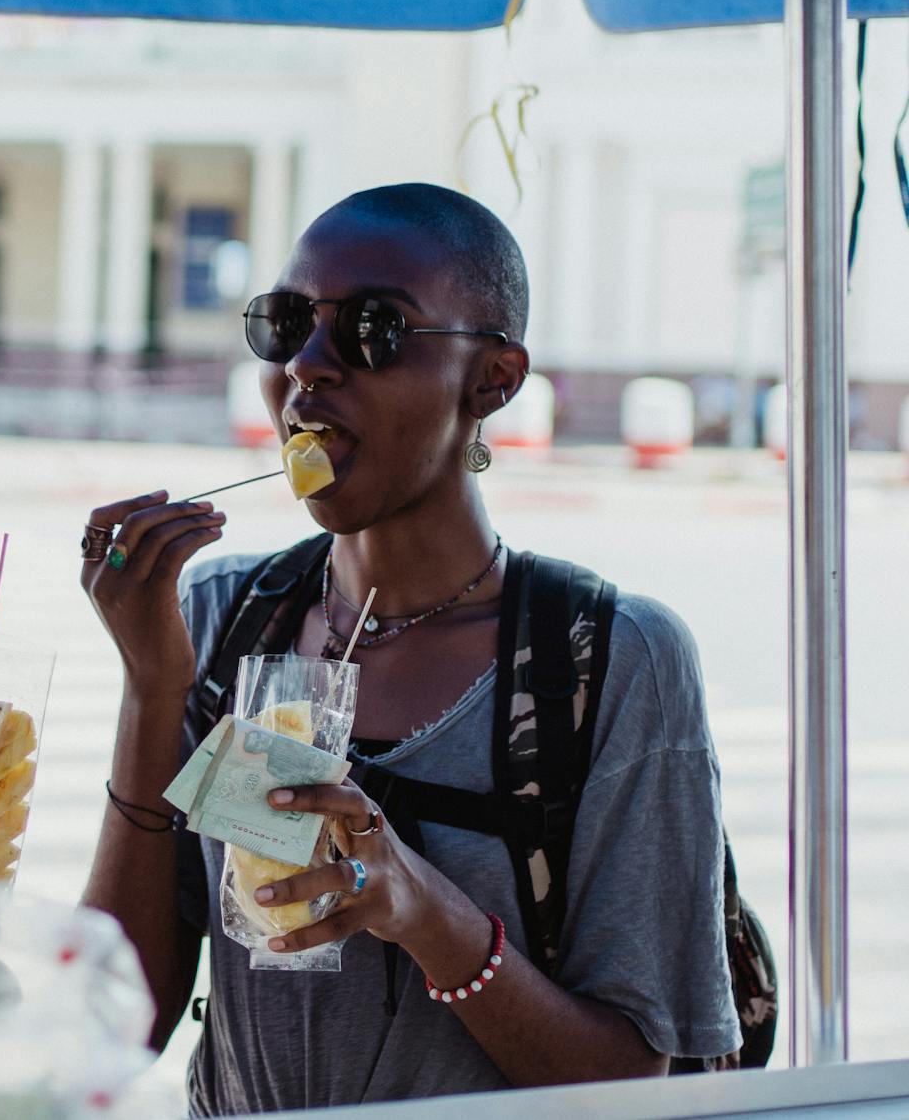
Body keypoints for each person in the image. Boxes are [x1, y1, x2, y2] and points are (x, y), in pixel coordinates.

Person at [79, 184, 738, 1113]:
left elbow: (631, 1081)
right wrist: (153, 689)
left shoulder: (610, 658)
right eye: (287, 323)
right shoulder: (226, 615)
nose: (308, 365)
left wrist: (423, 910)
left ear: (492, 380)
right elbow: (113, 1024)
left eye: (373, 330)